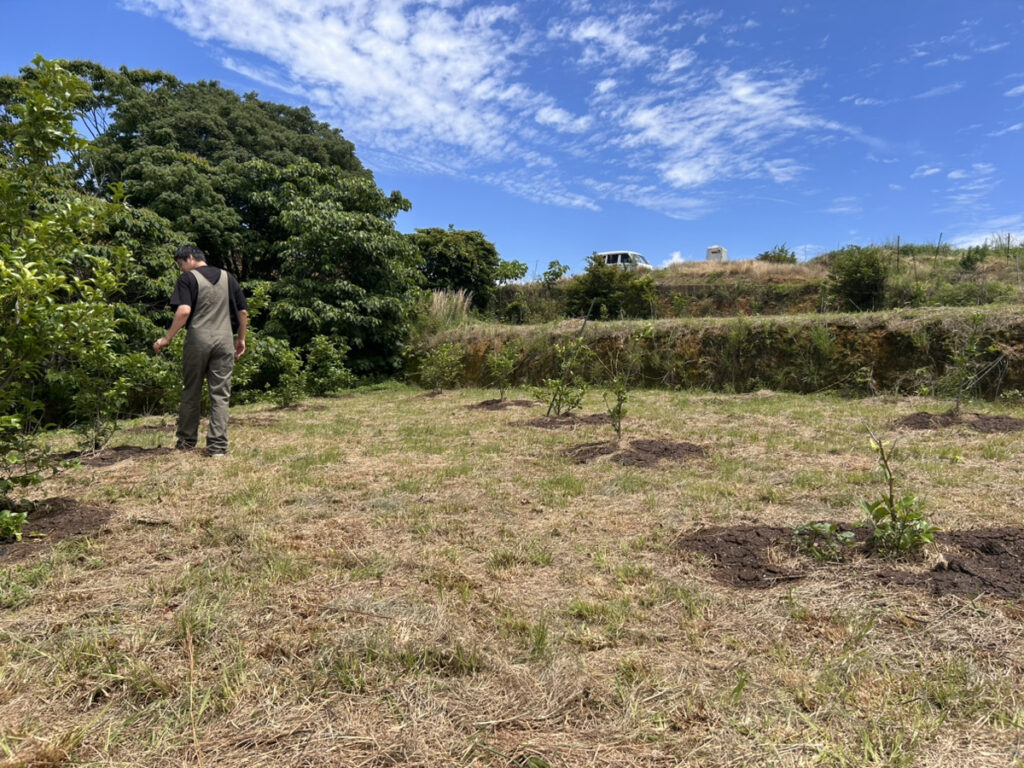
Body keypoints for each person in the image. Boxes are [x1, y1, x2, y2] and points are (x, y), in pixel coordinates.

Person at [154, 245, 248, 457]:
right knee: (221, 395)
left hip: (198, 340)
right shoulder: (229, 278)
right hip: (225, 340)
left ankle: (186, 443)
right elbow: (242, 312)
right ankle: (217, 447)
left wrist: (167, 338)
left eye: (181, 264)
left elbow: (184, 310)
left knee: (191, 391)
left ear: (190, 258)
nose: (181, 269)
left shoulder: (187, 279)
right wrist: (241, 339)